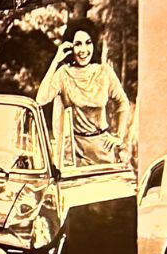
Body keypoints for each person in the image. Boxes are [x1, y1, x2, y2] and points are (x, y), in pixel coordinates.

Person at [35, 17, 131, 167]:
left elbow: (123, 102)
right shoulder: (64, 74)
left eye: (88, 42)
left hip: (102, 150)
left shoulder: (103, 72)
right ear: (70, 47)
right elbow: (41, 99)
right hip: (74, 153)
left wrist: (118, 136)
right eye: (78, 44)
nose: (84, 50)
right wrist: (56, 60)